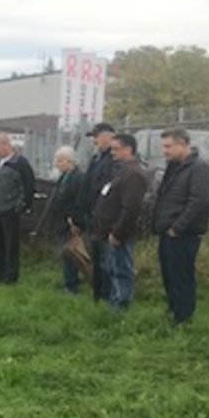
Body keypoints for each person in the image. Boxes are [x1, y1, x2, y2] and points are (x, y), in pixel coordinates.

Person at [152, 127, 209, 325]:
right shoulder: (174, 167)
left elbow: (199, 201)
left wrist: (178, 227)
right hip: (166, 230)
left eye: (168, 146)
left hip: (184, 233)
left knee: (182, 276)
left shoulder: (199, 168)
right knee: (169, 274)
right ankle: (173, 309)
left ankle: (184, 317)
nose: (165, 151)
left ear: (183, 144)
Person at [91, 132, 150, 311]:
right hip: (109, 230)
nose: (112, 153)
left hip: (119, 233)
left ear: (128, 149)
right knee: (112, 268)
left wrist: (118, 232)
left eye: (116, 149)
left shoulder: (133, 174)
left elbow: (130, 208)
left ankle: (121, 306)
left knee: (121, 270)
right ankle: (114, 302)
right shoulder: (122, 171)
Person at [0, 133, 36, 283]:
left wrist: (20, 206)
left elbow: (28, 187)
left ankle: (11, 276)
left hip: (9, 211)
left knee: (10, 245)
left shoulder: (20, 163)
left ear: (7, 145)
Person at [78, 122, 119, 302]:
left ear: (109, 135)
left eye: (97, 136)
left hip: (105, 217)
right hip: (92, 216)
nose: (94, 140)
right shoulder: (96, 159)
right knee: (97, 258)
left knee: (107, 260)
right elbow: (87, 186)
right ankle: (98, 295)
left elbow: (110, 190)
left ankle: (108, 297)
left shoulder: (114, 160)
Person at [46, 145, 86, 294]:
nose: (56, 164)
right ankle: (68, 282)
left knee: (73, 254)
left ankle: (72, 285)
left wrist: (75, 221)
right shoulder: (64, 176)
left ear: (69, 161)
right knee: (66, 253)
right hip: (61, 221)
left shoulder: (78, 177)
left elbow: (79, 201)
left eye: (59, 160)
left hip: (71, 222)